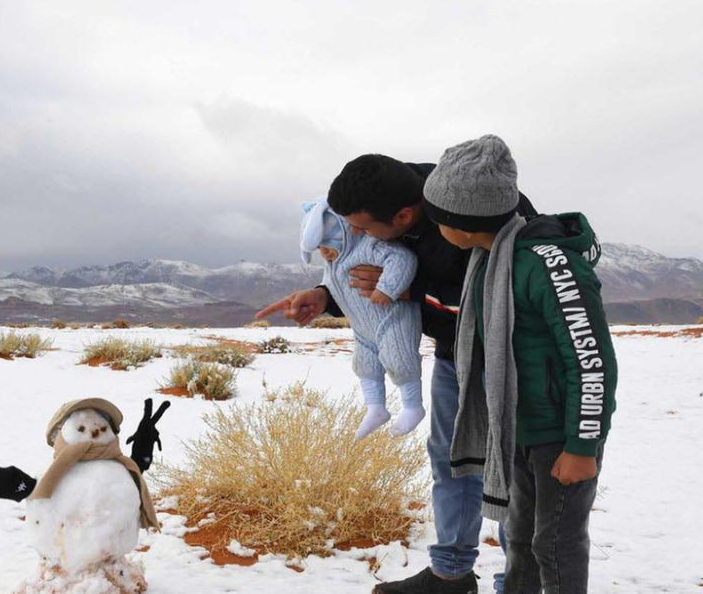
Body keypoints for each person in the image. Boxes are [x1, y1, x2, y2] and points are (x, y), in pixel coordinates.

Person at [256, 154, 536, 594]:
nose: (358, 236)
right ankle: (450, 575)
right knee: (451, 463)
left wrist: (410, 291)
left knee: (512, 472)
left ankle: (522, 583)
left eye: (364, 228)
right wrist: (326, 296)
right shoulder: (394, 192)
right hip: (453, 355)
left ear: (403, 216)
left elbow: (502, 298)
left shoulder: (470, 209)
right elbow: (367, 262)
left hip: (512, 357)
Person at [423, 134, 618, 594]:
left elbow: (591, 360)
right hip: (519, 428)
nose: (434, 227)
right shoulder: (492, 259)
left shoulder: (546, 266)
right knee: (523, 540)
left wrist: (582, 445)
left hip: (558, 436)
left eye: (437, 216)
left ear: (462, 219)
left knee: (555, 544)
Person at [299, 197, 425, 438]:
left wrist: (387, 288)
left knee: (399, 360)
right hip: (363, 326)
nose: (325, 252)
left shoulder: (368, 247)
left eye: (329, 244)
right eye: (320, 248)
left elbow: (402, 259)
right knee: (364, 364)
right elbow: (334, 285)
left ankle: (413, 406)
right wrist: (320, 294)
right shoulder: (333, 263)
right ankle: (376, 407)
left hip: (392, 319)